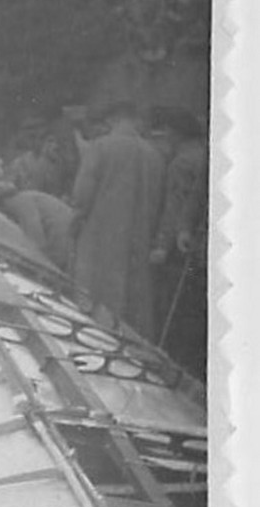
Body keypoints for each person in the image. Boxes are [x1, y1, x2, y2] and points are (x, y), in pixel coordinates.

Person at [71, 100, 165, 339]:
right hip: (138, 240)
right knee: (131, 308)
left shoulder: (100, 147)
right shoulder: (155, 156)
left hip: (99, 235)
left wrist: (76, 220)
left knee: (93, 298)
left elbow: (82, 195)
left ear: (112, 120)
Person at [149, 108, 207, 375]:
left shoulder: (181, 163)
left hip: (181, 250)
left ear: (176, 134)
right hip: (202, 244)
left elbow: (175, 208)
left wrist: (162, 245)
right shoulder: (204, 155)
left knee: (178, 313)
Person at [0, 190, 74, 271]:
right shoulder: (28, 196)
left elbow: (36, 240)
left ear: (2, 203)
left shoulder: (20, 202)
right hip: (69, 238)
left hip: (63, 239)